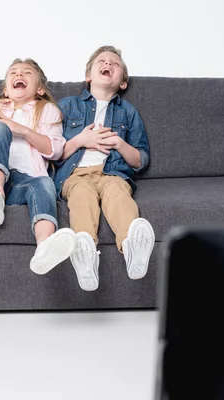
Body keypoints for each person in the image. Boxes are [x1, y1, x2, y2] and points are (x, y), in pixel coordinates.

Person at [53, 46, 155, 291]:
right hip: (75, 174)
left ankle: (132, 245)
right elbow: (52, 154)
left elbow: (141, 160)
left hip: (113, 173)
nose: (107, 63)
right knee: (82, 197)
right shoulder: (67, 106)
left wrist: (120, 143)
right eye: (102, 61)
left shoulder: (128, 112)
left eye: (115, 63)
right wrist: (80, 141)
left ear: (122, 83)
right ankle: (84, 250)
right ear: (89, 75)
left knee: (118, 195)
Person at [0, 58, 76, 275]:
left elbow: (55, 149)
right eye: (13, 73)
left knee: (44, 184)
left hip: (21, 183)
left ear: (40, 89)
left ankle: (44, 247)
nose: (18, 75)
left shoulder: (47, 110)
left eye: (26, 73)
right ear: (5, 88)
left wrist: (19, 128)